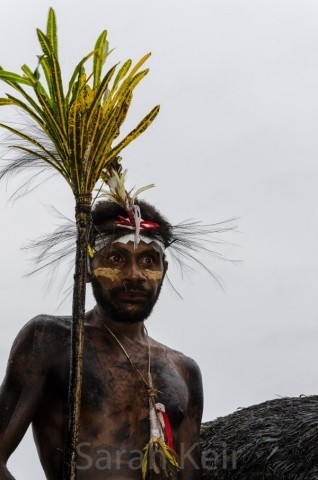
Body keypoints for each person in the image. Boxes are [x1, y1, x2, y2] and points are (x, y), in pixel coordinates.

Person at [0, 199, 203, 480]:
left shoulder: (184, 371)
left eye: (148, 260)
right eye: (116, 258)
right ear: (87, 265)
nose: (134, 274)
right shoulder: (51, 340)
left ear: (163, 270)